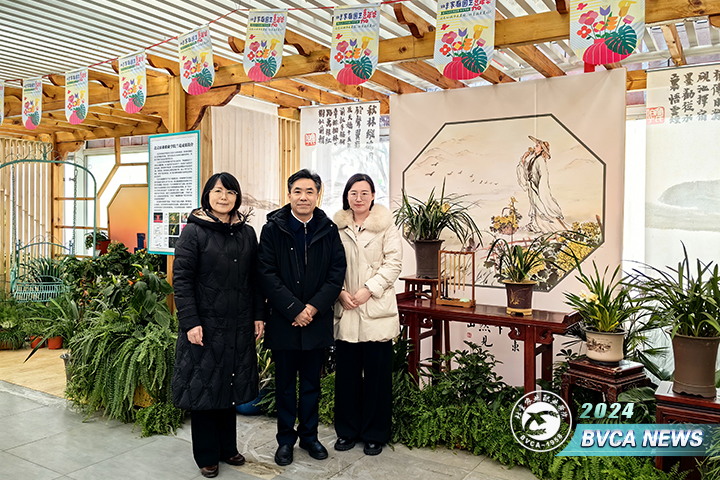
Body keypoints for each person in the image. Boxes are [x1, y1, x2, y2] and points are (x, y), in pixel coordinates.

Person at [172, 172, 265, 479]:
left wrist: (258, 315)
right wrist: (190, 322)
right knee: (204, 388)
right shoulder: (193, 232)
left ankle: (228, 448)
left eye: (230, 192)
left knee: (229, 385)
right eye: (218, 191)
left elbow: (255, 279)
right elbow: (181, 280)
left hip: (238, 324)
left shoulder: (246, 233)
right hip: (204, 326)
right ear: (207, 196)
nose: (224, 197)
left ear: (237, 197)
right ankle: (207, 455)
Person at [257, 169, 346, 466]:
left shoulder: (328, 229)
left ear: (317, 195)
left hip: (316, 321)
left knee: (311, 385)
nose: (303, 197)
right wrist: (295, 309)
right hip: (284, 321)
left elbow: (336, 274)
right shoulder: (273, 228)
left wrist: (312, 308)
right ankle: (285, 440)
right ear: (289, 194)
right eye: (298, 191)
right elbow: (266, 273)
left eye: (310, 191)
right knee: (284, 386)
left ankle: (309, 436)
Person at [332, 174, 402, 456]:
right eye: (353, 192)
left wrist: (369, 290)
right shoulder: (336, 228)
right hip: (346, 307)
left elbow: (393, 263)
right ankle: (347, 431)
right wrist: (339, 291)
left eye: (364, 193)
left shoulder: (386, 226)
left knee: (377, 377)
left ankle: (375, 434)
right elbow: (329, 265)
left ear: (373, 195)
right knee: (346, 377)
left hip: (376, 308)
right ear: (347, 196)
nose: (358, 198)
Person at [516, 135, 568, 233]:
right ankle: (537, 226)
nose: (534, 147)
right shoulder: (533, 159)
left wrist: (541, 190)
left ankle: (558, 230)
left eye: (537, 146)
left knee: (542, 208)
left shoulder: (540, 161)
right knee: (536, 208)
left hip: (538, 189)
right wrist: (523, 159)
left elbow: (543, 176)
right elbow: (527, 171)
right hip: (533, 188)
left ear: (541, 149)